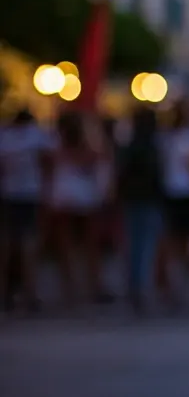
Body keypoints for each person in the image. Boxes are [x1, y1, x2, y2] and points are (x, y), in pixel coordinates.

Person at [47, 111, 110, 308]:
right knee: (86, 245)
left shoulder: (57, 147)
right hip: (81, 200)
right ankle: (88, 286)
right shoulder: (72, 147)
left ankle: (73, 287)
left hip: (68, 200)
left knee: (71, 245)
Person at [0, 109, 53, 313]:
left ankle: (5, 291)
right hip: (30, 194)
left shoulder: (5, 138)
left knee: (6, 243)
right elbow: (48, 162)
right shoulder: (36, 137)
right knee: (28, 243)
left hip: (8, 194)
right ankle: (30, 292)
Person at [115, 107, 165, 312]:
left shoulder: (130, 146)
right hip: (148, 201)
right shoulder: (152, 147)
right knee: (145, 247)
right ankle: (140, 288)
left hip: (134, 200)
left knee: (134, 246)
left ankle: (135, 287)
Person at [158, 103, 189, 308]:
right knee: (185, 239)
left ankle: (171, 283)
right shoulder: (186, 138)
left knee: (171, 238)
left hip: (169, 192)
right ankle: (182, 283)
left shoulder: (165, 138)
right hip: (185, 193)